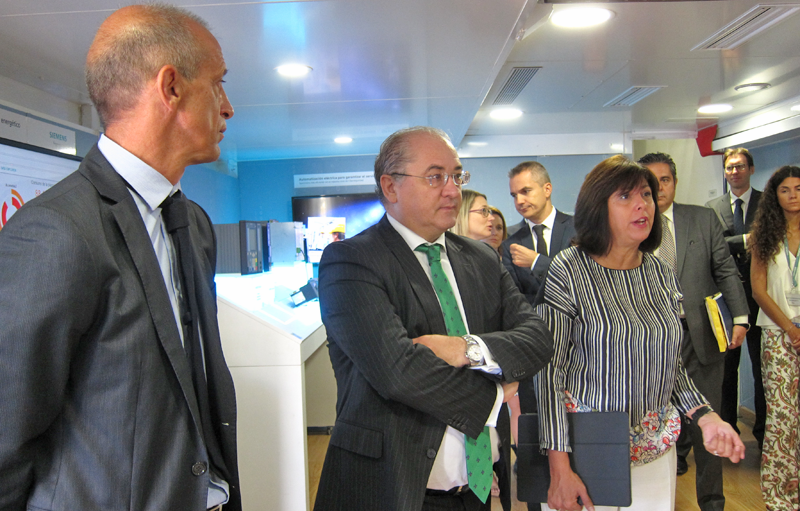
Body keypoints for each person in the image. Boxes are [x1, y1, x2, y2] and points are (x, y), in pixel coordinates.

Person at [0, 5, 240, 510]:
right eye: (218, 85)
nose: (228, 107)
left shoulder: (192, 223)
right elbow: (6, 433)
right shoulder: (56, 231)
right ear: (170, 87)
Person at [313, 126, 554, 511]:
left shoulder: (483, 258)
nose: (452, 190)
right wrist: (496, 393)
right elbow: (398, 371)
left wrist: (467, 348)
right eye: (435, 176)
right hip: (394, 491)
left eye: (456, 175)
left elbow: (538, 338)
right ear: (390, 187)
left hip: (478, 491)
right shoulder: (351, 261)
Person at [535, 155, 745, 511]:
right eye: (624, 197)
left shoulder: (660, 272)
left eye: (646, 194)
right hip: (587, 448)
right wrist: (558, 467)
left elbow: (671, 367)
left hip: (655, 445)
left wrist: (706, 416)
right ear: (597, 207)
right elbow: (548, 372)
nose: (641, 205)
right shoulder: (569, 268)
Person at [639, 152, 749, 511]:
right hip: (653, 342)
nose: (659, 188)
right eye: (650, 182)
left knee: (711, 422)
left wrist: (741, 317)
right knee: (655, 424)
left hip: (703, 335)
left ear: (674, 182)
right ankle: (660, 499)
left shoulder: (701, 218)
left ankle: (713, 502)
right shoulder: (634, 224)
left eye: (665, 180)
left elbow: (725, 269)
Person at [748, 165, 800, 511]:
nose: (793, 195)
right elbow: (758, 290)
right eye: (785, 189)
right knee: (783, 419)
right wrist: (792, 330)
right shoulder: (764, 234)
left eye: (799, 188)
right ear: (775, 195)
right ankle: (782, 496)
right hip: (779, 336)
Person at [705, 147, 765, 448]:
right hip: (726, 301)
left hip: (762, 299)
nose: (734, 172)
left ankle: (764, 433)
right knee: (726, 370)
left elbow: (769, 240)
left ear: (751, 170)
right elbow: (714, 247)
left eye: (740, 167)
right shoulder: (712, 207)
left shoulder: (766, 203)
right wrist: (744, 241)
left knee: (761, 367)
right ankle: (727, 429)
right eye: (729, 168)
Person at [501, 161, 576, 305]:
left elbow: (583, 282)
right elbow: (513, 299)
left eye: (526, 191)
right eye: (514, 195)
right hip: (534, 324)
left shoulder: (578, 229)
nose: (519, 201)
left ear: (547, 189)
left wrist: (537, 262)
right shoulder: (511, 243)